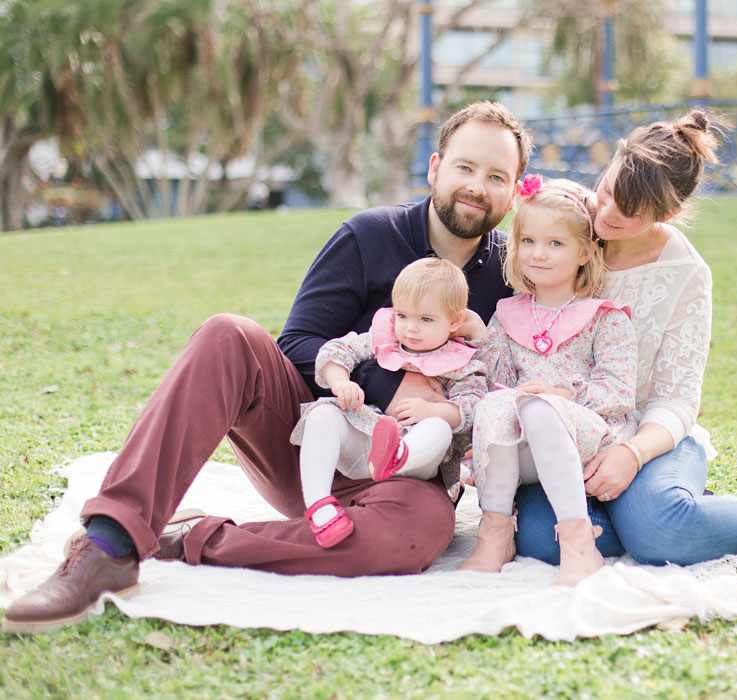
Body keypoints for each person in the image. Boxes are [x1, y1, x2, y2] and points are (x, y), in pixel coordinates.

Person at [1, 101, 532, 635]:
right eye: (465, 167)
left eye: (496, 176)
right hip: (310, 446)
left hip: (403, 478)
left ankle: (192, 539)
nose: (476, 186)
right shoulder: (369, 235)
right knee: (227, 334)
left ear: (514, 191)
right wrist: (385, 385)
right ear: (436, 167)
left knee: (419, 532)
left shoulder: (516, 270)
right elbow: (296, 342)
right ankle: (110, 544)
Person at [512, 110, 737, 566]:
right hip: (567, 435)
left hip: (647, 438)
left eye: (628, 213)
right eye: (606, 191)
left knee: (658, 533)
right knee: (537, 537)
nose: (604, 215)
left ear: (667, 214)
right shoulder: (565, 222)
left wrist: (631, 455)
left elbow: (677, 400)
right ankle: (669, 513)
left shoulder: (685, 274)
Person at [457, 176, 636, 586]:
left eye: (556, 244)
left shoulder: (605, 317)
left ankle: (578, 543)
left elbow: (618, 391)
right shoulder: (506, 314)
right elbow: (493, 384)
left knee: (539, 408)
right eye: (529, 241)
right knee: (495, 405)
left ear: (585, 252)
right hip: (524, 448)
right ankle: (495, 534)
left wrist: (560, 395)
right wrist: (483, 341)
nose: (539, 254)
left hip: (587, 434)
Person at [293, 258, 487, 548]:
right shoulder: (382, 340)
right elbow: (336, 350)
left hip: (419, 458)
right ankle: (321, 508)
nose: (411, 328)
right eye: (402, 315)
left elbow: (473, 407)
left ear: (455, 322)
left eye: (426, 319)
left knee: (440, 427)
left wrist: (433, 410)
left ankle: (398, 453)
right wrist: (340, 381)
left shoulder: (460, 363)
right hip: (369, 444)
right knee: (323, 414)